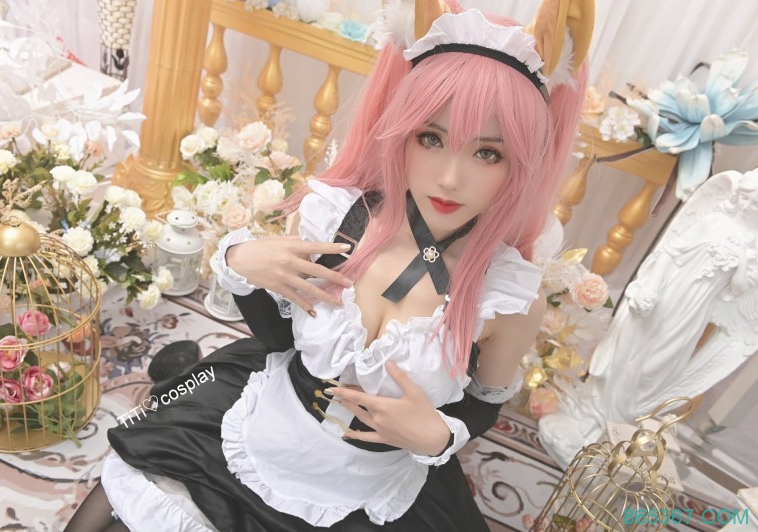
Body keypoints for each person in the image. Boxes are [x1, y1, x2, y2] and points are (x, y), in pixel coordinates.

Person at [66, 0, 592, 530]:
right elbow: (281, 341)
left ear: (521, 164)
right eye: (431, 138)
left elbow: (482, 404)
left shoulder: (507, 295)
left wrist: (441, 436)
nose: (450, 178)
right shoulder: (337, 219)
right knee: (127, 499)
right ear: (401, 132)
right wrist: (240, 264)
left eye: (487, 153)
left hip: (372, 481)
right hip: (271, 416)